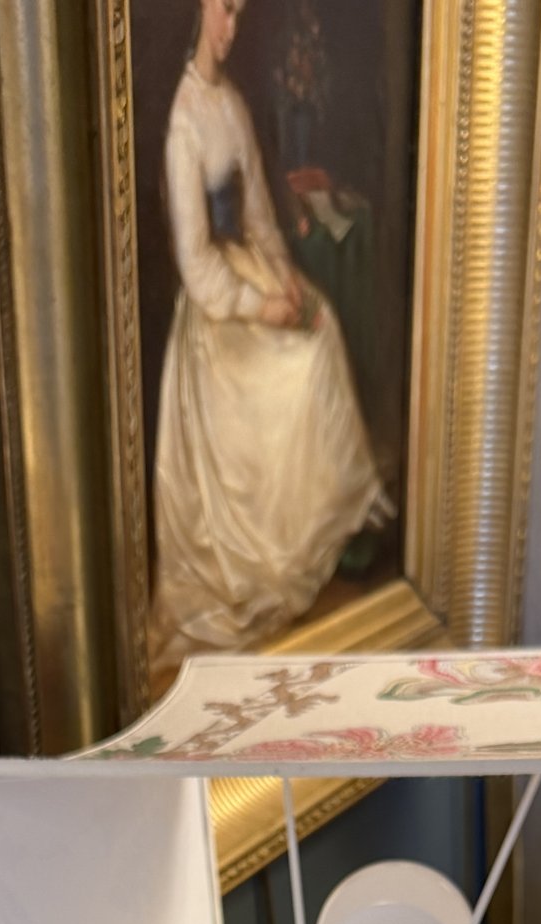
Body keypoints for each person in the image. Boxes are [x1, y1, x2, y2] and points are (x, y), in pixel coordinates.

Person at [149, 0, 391, 668]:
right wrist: (259, 307)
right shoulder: (182, 120)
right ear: (196, 12)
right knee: (291, 367)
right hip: (218, 311)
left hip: (252, 270)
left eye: (238, 13)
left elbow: (258, 212)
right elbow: (196, 262)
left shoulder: (230, 103)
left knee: (322, 326)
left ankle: (309, 529)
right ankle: (264, 559)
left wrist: (287, 281)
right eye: (223, 11)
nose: (231, 28)